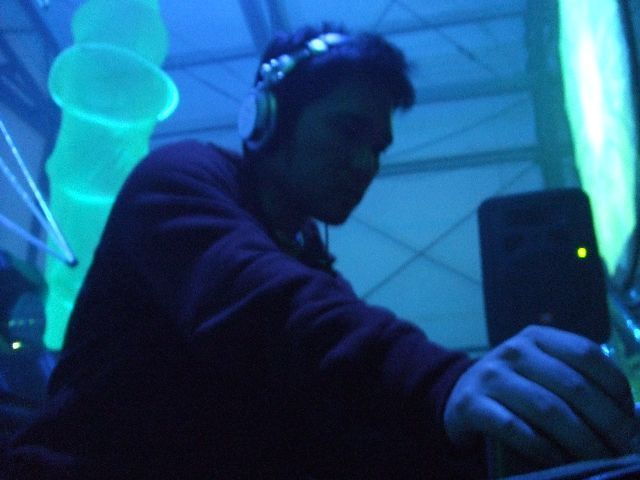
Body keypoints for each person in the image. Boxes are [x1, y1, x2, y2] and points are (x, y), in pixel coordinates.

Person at [3, 24, 637, 479]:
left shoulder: (308, 259)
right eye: (348, 129)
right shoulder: (180, 178)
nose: (366, 164)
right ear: (265, 118)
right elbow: (267, 307)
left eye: (379, 147)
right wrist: (447, 384)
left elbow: (334, 411)